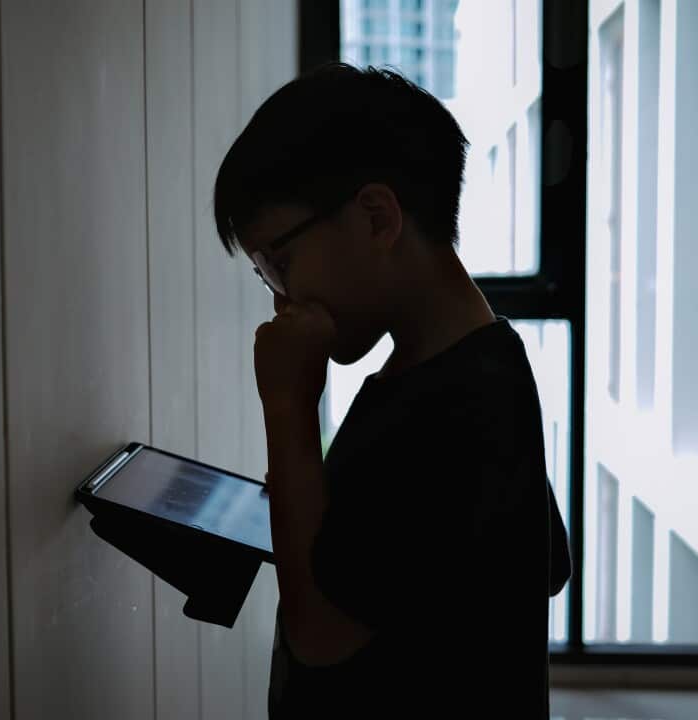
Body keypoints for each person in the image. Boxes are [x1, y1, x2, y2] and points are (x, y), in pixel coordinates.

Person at [211, 62, 573, 717]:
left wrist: (287, 405)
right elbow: (548, 559)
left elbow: (319, 636)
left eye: (280, 263)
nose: (280, 300)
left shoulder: (454, 401)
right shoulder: (477, 364)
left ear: (377, 218)